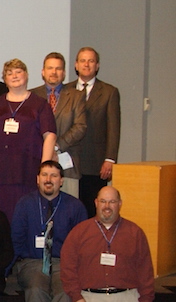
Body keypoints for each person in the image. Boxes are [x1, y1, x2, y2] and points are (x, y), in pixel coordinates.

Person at [61, 186, 154, 302]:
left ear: (119, 204)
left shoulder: (135, 232)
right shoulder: (80, 232)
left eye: (112, 201)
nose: (107, 206)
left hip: (127, 301)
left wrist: (146, 301)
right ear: (96, 203)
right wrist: (76, 296)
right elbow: (68, 267)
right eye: (103, 201)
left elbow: (145, 269)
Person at [11, 161, 87, 302]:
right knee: (36, 290)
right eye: (44, 175)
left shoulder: (75, 206)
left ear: (61, 181)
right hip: (32, 262)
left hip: (63, 263)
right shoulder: (24, 204)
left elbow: (82, 245)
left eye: (53, 176)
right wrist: (6, 271)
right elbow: (16, 240)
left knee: (66, 293)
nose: (48, 179)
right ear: (37, 179)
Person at [0, 59, 57, 220]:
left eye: (18, 72)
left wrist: (44, 169)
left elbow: (49, 136)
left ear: (27, 75)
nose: (14, 76)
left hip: (28, 170)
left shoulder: (39, 105)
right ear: (4, 79)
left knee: (27, 215)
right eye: (9, 73)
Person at [66, 47, 121, 217]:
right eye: (83, 60)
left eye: (91, 61)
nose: (86, 64)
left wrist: (110, 159)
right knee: (70, 212)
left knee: (92, 211)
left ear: (97, 66)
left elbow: (114, 128)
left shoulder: (109, 92)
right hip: (69, 163)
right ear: (76, 65)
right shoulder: (66, 90)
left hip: (95, 164)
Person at [30, 52, 87, 198]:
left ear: (64, 73)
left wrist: (55, 147)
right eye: (50, 68)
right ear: (43, 72)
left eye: (58, 69)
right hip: (37, 162)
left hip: (67, 165)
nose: (54, 72)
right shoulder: (31, 96)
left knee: (68, 212)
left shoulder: (77, 96)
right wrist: (46, 151)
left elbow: (80, 127)